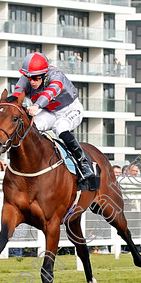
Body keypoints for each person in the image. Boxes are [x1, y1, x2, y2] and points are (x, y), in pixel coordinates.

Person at [9, 52, 94, 186]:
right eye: (29, 77)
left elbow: (50, 92)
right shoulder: (27, 79)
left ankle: (83, 165)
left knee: (60, 128)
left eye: (36, 78)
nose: (32, 81)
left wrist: (37, 105)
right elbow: (16, 95)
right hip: (50, 111)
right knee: (31, 127)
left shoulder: (56, 75)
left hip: (70, 109)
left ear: (44, 74)